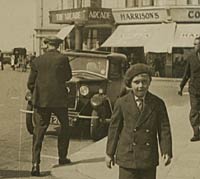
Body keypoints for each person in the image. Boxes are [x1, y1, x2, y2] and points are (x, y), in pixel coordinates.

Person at [106, 63, 172, 179]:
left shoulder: (157, 103)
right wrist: (109, 153)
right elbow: (114, 129)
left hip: (148, 158)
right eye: (136, 82)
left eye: (144, 82)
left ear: (149, 82)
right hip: (127, 157)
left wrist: (166, 151)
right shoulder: (122, 103)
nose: (141, 86)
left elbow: (164, 129)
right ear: (130, 84)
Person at [27, 36, 72, 176]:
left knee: (39, 131)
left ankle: (35, 164)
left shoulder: (37, 60)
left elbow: (30, 83)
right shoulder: (63, 59)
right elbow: (68, 77)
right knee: (65, 126)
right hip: (59, 100)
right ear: (58, 45)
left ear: (47, 45)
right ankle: (62, 157)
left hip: (42, 101)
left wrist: (39, 90)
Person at [178, 36, 200, 142]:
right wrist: (181, 86)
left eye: (197, 44)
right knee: (194, 111)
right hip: (194, 90)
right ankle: (196, 133)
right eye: (194, 44)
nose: (195, 46)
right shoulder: (191, 57)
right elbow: (186, 74)